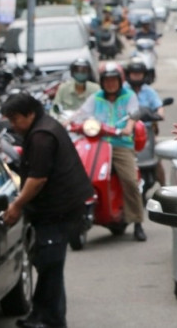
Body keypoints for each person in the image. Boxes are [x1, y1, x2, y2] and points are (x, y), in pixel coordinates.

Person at [1, 91, 94, 328]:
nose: (13, 125)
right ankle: (45, 316)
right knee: (48, 265)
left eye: (15, 119)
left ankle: (49, 319)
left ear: (30, 114)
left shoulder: (42, 136)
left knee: (50, 264)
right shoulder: (44, 126)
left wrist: (17, 205)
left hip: (58, 211)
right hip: (57, 209)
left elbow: (37, 180)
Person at [72, 61, 147, 241]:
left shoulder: (129, 96)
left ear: (120, 81)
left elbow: (133, 115)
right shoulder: (95, 97)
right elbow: (81, 114)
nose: (110, 84)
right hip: (97, 143)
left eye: (114, 80)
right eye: (106, 80)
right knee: (78, 173)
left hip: (121, 144)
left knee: (129, 179)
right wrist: (67, 123)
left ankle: (137, 222)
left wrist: (128, 127)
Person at [125, 59, 166, 187]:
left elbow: (159, 108)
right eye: (134, 73)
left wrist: (159, 114)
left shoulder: (149, 91)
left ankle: (164, 189)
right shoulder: (122, 90)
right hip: (125, 133)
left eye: (139, 74)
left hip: (147, 131)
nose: (136, 76)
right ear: (128, 74)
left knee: (157, 159)